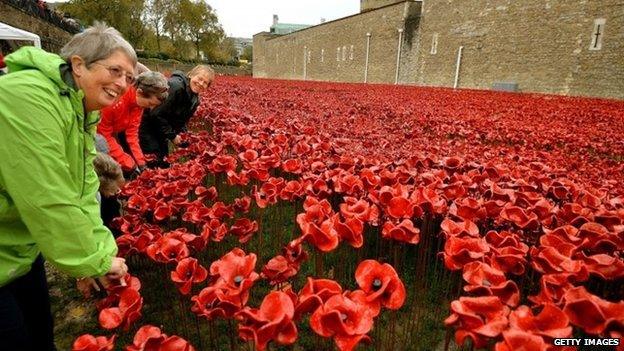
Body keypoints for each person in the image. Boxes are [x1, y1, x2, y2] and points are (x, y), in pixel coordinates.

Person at [0, 23, 133, 351]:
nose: (122, 84)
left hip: (19, 246)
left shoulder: (79, 108)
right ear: (78, 64)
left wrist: (102, 252)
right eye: (115, 71)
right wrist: (94, 261)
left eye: (128, 77)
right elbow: (47, 194)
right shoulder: (28, 96)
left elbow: (85, 188)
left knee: (42, 335)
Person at [139, 65, 215, 167]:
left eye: (205, 83)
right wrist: (172, 136)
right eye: (199, 78)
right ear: (191, 75)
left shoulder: (195, 100)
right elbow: (155, 113)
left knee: (164, 163)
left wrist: (186, 138)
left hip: (160, 130)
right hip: (147, 127)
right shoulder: (176, 86)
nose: (201, 83)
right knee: (154, 162)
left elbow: (180, 122)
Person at [97, 71, 169, 176]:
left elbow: (132, 134)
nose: (150, 108)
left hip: (110, 134)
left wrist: (141, 163)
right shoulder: (115, 101)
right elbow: (105, 136)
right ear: (139, 92)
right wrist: (129, 163)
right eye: (150, 103)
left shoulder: (138, 105)